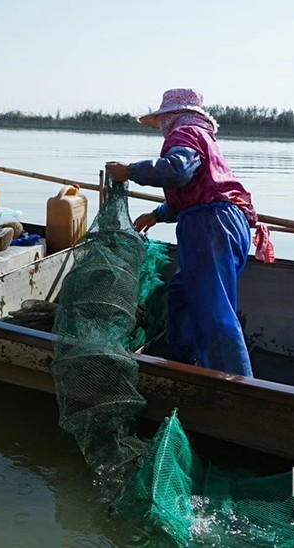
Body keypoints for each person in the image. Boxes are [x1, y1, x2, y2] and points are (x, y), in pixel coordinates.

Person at [105, 88, 256, 376]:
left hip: (210, 226)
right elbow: (198, 190)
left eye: (163, 119)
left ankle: (237, 386)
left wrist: (131, 171)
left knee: (215, 312)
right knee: (182, 295)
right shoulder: (204, 139)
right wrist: (157, 215)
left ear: (173, 116)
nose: (161, 126)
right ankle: (186, 364)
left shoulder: (184, 132)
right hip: (227, 222)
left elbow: (178, 171)